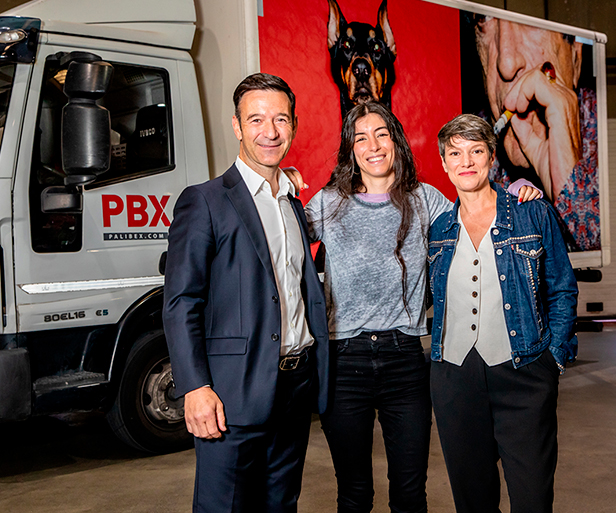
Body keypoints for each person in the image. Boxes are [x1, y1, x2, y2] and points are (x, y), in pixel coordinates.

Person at [303, 102, 540, 513]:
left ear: (396, 141)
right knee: (354, 493)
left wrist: (515, 191)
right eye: (361, 137)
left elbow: (478, 216)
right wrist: (279, 184)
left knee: (410, 493)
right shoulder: (328, 203)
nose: (373, 146)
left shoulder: (425, 199)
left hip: (405, 361)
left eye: (381, 134)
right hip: (345, 362)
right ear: (350, 148)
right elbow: (280, 234)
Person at [163, 73, 329, 513]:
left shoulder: (293, 203)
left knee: (281, 504)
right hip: (230, 393)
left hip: (293, 387)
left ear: (293, 126)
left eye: (280, 119)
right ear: (236, 126)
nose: (269, 131)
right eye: (256, 119)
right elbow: (181, 302)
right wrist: (195, 387)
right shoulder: (205, 201)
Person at [428, 114, 578, 513]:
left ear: (491, 157)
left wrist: (554, 358)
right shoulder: (438, 228)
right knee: (473, 501)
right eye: (455, 153)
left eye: (476, 151)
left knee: (532, 498)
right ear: (444, 164)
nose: (466, 161)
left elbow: (561, 288)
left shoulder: (530, 213)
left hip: (524, 372)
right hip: (455, 378)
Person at [473, 15, 600, 251]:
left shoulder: (614, 139)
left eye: (531, 20)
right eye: (484, 19)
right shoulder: (467, 150)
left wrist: (570, 191)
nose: (506, 63)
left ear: (575, 54)